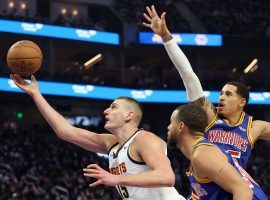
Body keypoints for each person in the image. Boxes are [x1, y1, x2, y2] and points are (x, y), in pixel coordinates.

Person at [10, 74, 185, 200]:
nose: (106, 111)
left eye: (113, 107)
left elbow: (166, 177)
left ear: (129, 116)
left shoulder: (144, 139)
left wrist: (116, 178)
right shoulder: (112, 143)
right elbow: (66, 131)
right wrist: (35, 94)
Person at [143, 5, 270, 168]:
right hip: (208, 185)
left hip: (235, 186)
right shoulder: (210, 114)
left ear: (242, 102)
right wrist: (166, 37)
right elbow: (188, 75)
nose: (221, 97)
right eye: (222, 93)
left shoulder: (254, 127)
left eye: (229, 94)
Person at [167, 104, 268, 200]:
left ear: (181, 126)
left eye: (171, 122)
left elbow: (243, 190)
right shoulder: (201, 154)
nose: (168, 127)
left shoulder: (203, 154)